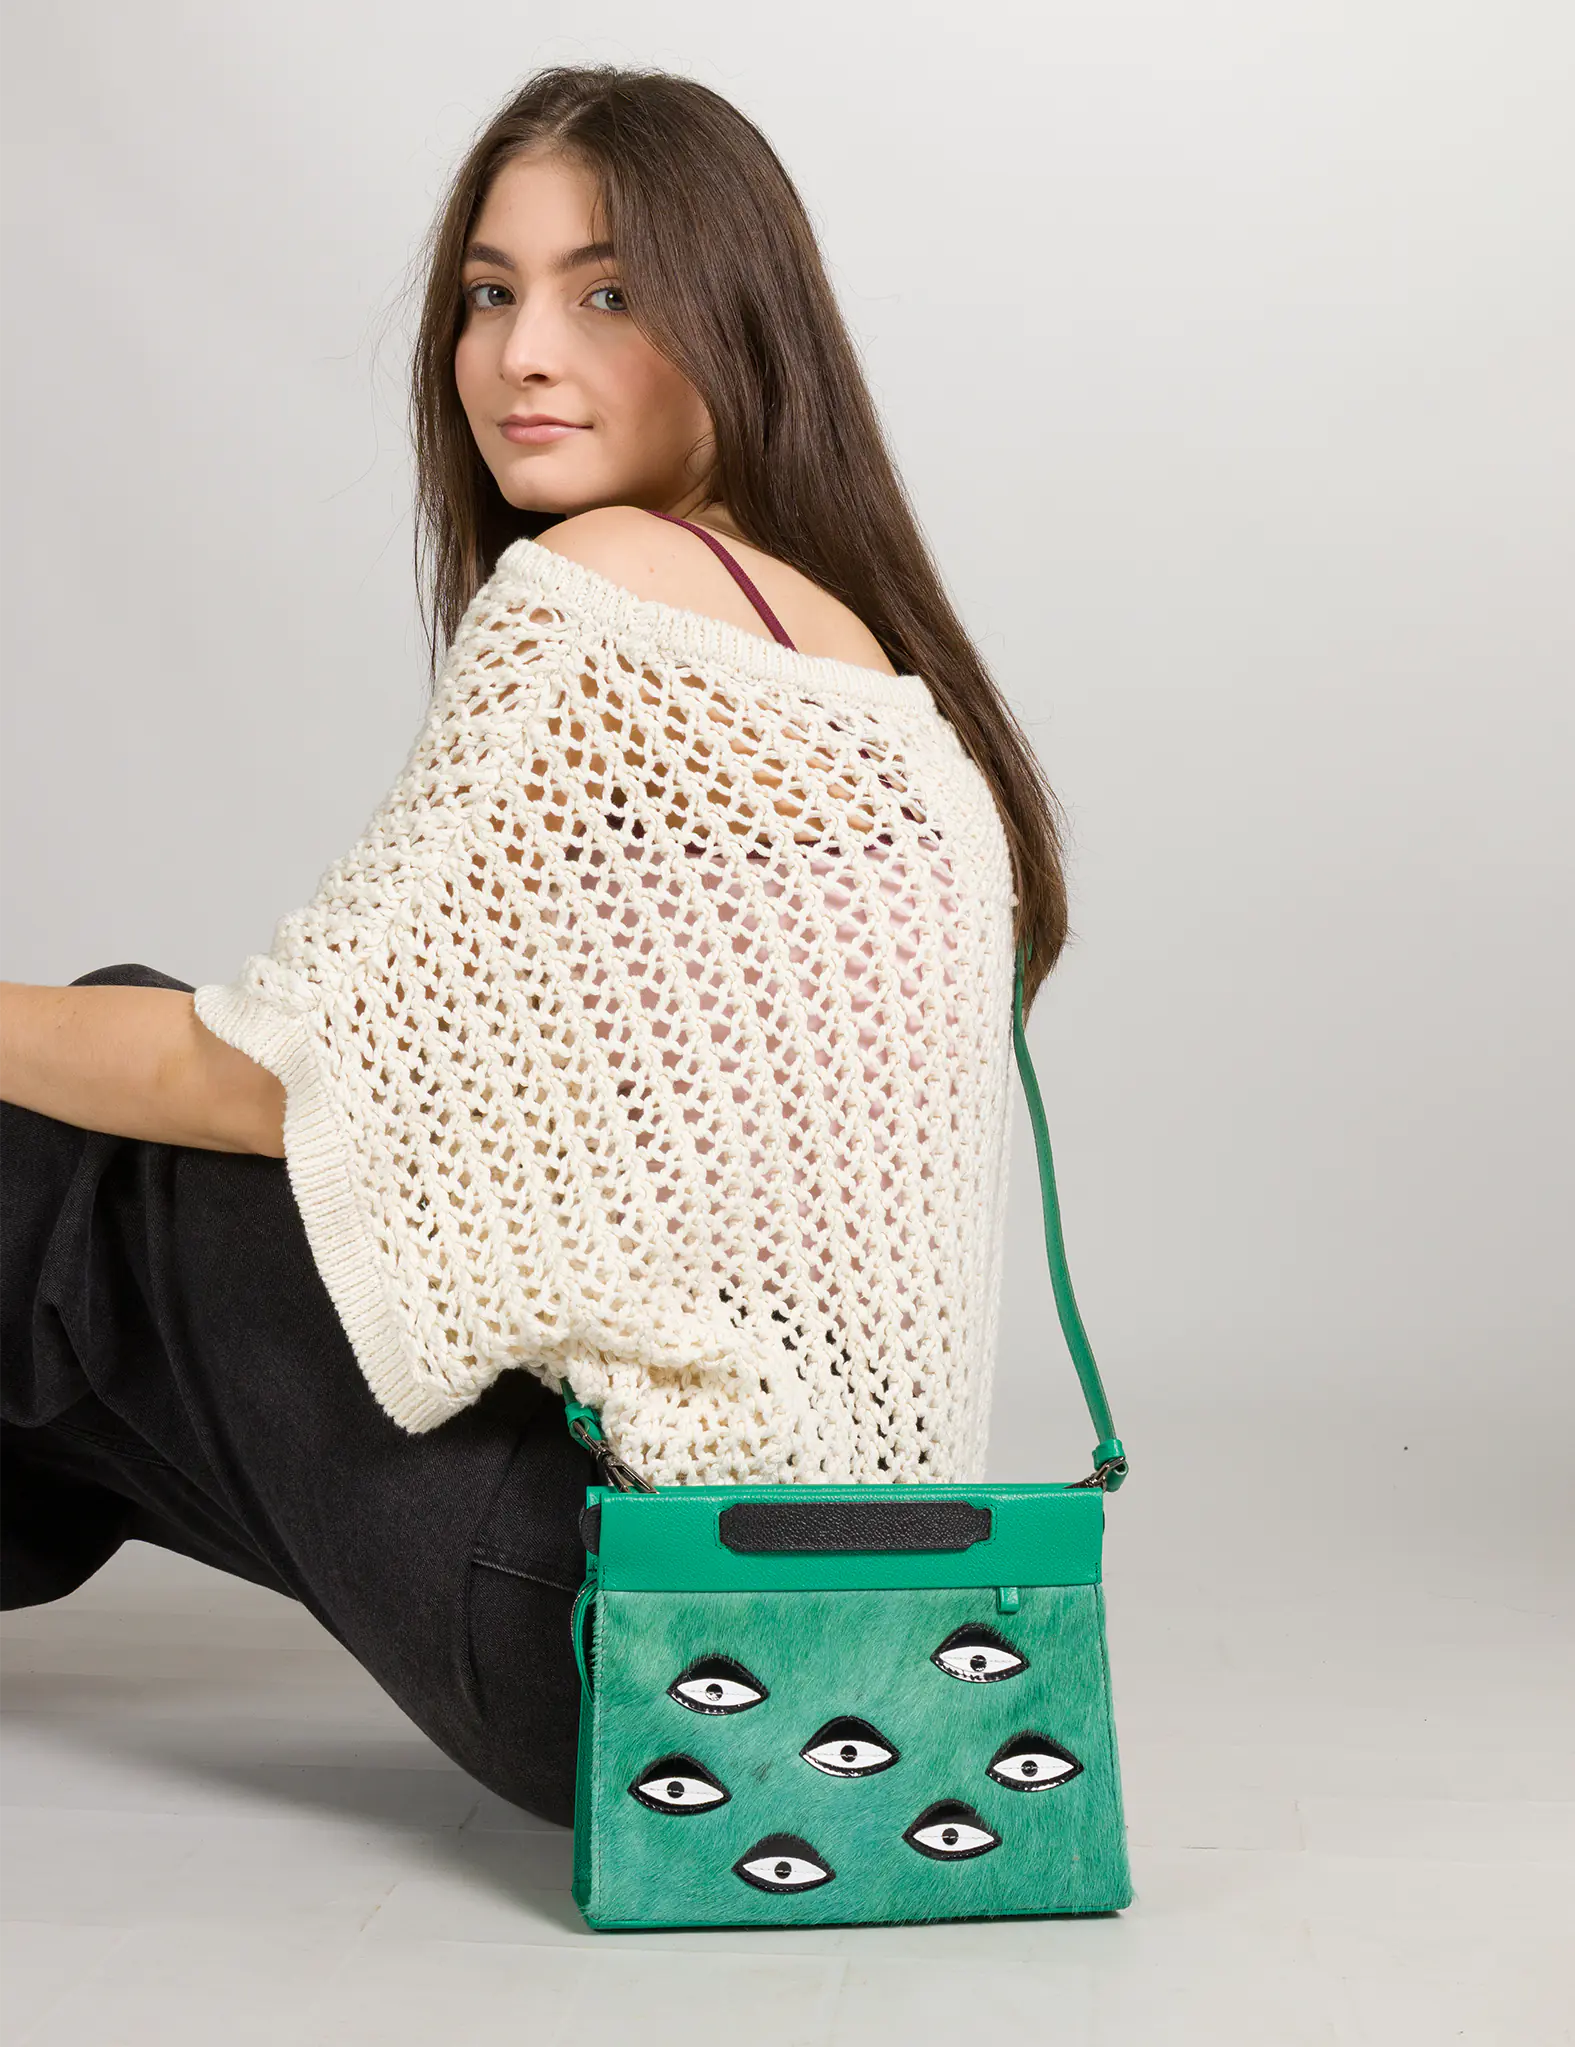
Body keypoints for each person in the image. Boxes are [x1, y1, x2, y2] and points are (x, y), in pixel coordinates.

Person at [0, 65, 1071, 1825]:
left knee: (78, 1143)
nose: (521, 354)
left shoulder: (611, 592)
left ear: (739, 318)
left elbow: (273, 1078)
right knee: (66, 1275)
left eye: (608, 291)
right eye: (490, 294)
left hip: (615, 1640)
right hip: (830, 1658)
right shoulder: (857, 658)